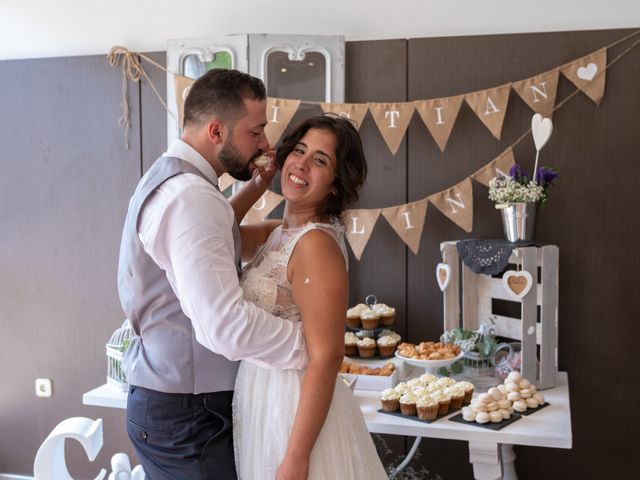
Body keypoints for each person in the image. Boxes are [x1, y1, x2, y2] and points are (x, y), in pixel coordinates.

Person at [117, 69, 308, 480]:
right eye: (255, 132)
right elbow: (225, 328)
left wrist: (256, 189)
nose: (265, 144)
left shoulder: (175, 180)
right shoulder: (191, 198)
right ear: (217, 131)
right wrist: (311, 346)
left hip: (174, 401)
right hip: (190, 414)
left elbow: (215, 232)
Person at [232, 115, 388, 480]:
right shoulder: (279, 232)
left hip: (291, 405)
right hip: (264, 397)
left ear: (335, 185)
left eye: (320, 160)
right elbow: (217, 232)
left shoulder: (315, 245)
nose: (301, 164)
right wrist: (256, 185)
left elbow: (328, 357)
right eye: (298, 151)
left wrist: (297, 457)